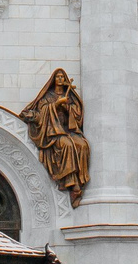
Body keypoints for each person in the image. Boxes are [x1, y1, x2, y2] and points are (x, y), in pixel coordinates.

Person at [23, 69, 90, 203]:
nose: (60, 79)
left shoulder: (70, 97)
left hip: (68, 130)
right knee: (67, 145)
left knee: (82, 145)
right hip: (54, 132)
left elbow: (77, 116)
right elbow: (41, 113)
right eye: (58, 77)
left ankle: (80, 180)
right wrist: (57, 104)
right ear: (54, 80)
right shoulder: (47, 97)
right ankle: (72, 183)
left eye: (61, 77)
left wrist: (67, 108)